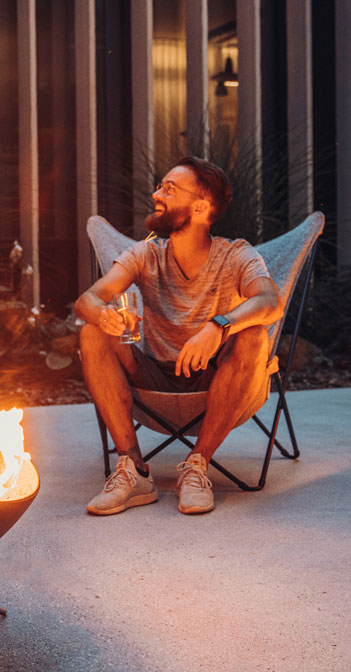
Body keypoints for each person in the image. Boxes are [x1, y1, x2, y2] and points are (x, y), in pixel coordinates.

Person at [75, 156, 281, 516]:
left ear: (201, 207)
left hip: (216, 379)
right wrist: (103, 315)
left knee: (255, 338)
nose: (157, 194)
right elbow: (88, 300)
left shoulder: (236, 255)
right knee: (92, 333)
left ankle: (197, 465)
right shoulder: (146, 253)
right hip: (153, 376)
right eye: (160, 186)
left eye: (169, 189)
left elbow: (269, 302)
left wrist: (218, 327)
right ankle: (133, 468)